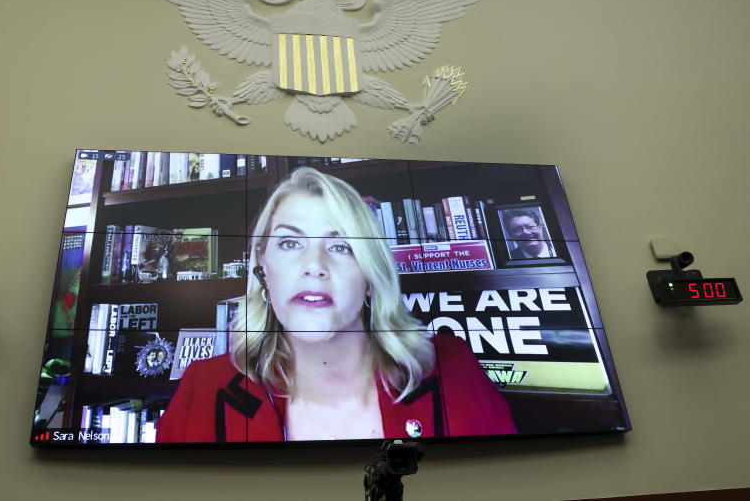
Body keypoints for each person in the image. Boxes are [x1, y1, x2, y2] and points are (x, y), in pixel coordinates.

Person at [156, 167, 516, 442]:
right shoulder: (202, 388)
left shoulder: (453, 368)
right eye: (290, 243)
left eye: (341, 246)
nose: (314, 265)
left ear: (371, 275)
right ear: (262, 265)